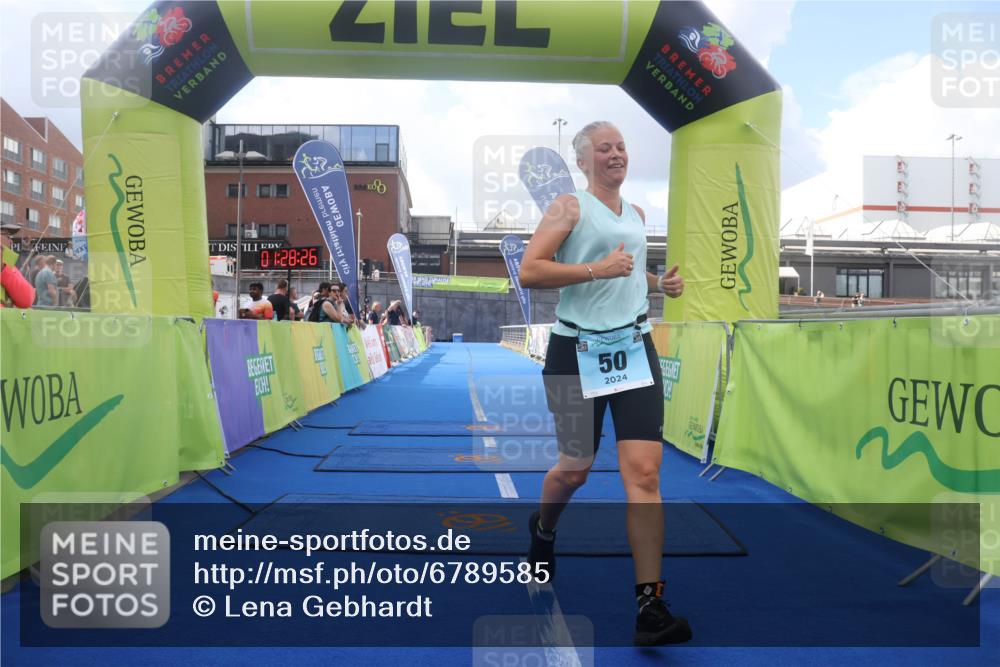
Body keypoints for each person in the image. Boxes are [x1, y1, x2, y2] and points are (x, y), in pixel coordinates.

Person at [518, 121, 689, 647]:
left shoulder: (635, 215)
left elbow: (630, 272)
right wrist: (598, 269)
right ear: (585, 160)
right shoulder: (568, 207)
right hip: (576, 351)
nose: (616, 154)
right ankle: (543, 532)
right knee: (575, 470)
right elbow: (529, 271)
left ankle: (650, 604)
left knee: (644, 473)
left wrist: (662, 284)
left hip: (634, 348)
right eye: (605, 148)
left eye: (621, 146)